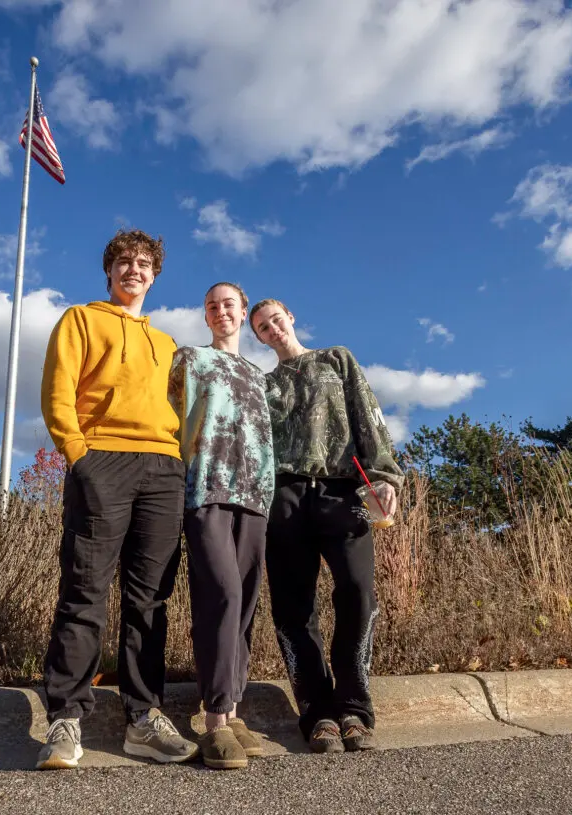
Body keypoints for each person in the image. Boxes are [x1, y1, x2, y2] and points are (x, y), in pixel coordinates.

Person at [35, 228, 199, 770]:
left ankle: (143, 718)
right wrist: (79, 455)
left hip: (163, 469)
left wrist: (179, 458)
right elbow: (58, 392)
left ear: (154, 275)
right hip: (102, 458)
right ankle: (65, 720)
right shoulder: (81, 320)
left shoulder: (169, 343)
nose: (134, 269)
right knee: (85, 588)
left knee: (149, 599)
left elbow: (185, 407)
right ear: (110, 272)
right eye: (124, 261)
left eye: (145, 263)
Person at [249, 298, 404, 754]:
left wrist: (384, 476)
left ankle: (354, 706)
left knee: (358, 592)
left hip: (342, 493)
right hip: (285, 498)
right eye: (262, 327)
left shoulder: (336, 359)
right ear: (257, 336)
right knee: (294, 609)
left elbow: (367, 415)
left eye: (276, 319)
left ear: (290, 317)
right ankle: (317, 713)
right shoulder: (263, 384)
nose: (272, 329)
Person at [167, 282, 275, 771]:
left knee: (247, 602)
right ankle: (213, 720)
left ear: (243, 311)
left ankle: (233, 708)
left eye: (229, 304)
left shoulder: (259, 375)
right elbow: (168, 419)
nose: (220, 311)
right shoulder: (189, 359)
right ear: (206, 316)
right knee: (222, 594)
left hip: (255, 498)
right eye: (212, 306)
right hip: (206, 489)